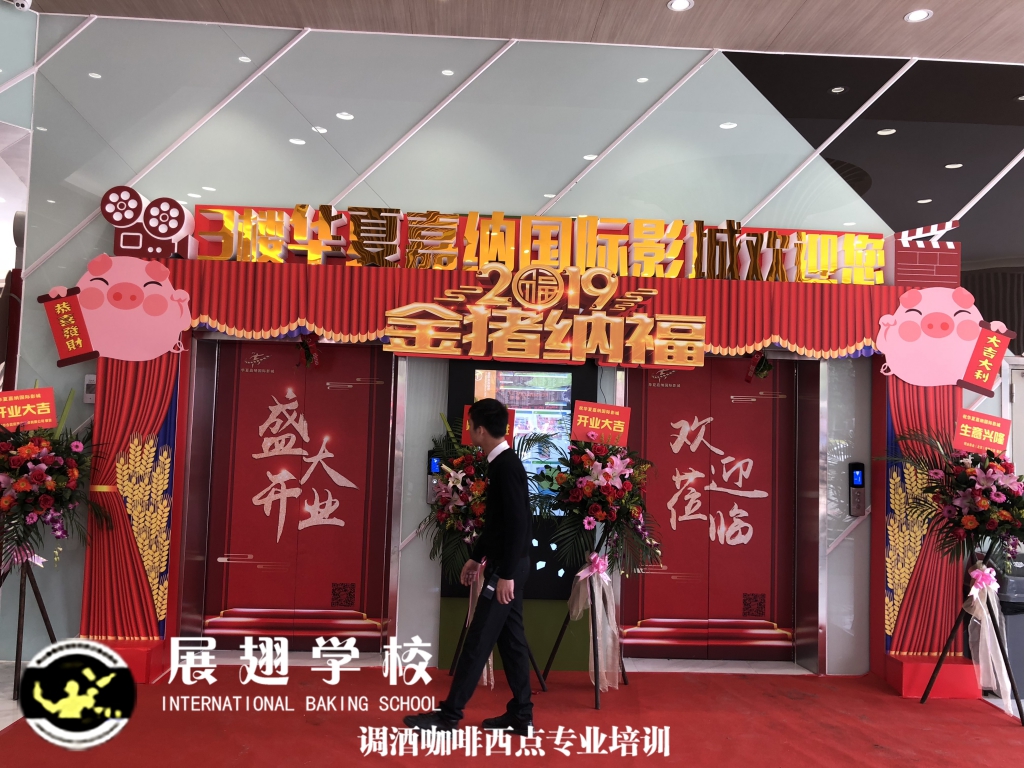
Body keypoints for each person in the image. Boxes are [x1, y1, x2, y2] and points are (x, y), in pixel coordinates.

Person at [404, 398, 534, 735]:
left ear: (480, 429)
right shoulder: (500, 462)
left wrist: (506, 574)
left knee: (478, 640)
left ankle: (449, 716)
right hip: (508, 565)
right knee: (512, 641)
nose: (469, 431)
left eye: (470, 425)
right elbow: (497, 523)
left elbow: (518, 524)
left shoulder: (505, 466)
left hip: (508, 568)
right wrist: (477, 558)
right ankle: (521, 714)